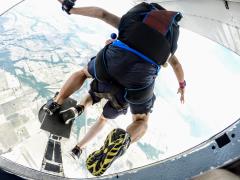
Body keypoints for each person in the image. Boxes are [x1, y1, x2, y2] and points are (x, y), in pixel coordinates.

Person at [44, 0, 186, 176]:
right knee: (139, 121)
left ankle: (57, 103)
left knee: (83, 74)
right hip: (138, 82)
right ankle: (112, 143)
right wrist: (182, 85)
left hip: (112, 63)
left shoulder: (131, 22)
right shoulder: (168, 47)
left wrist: (71, 9)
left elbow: (101, 14)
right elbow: (177, 66)